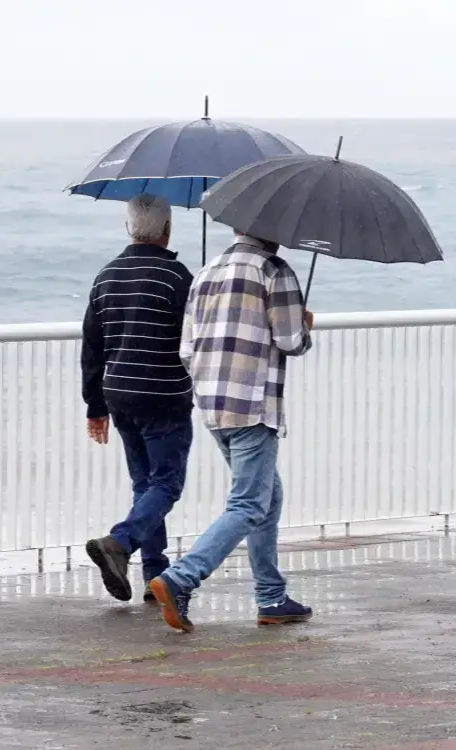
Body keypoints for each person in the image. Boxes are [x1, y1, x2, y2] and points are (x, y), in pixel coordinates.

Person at [148, 229, 315, 632]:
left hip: (212, 404)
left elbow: (186, 349)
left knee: (267, 496)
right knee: (249, 504)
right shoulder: (274, 270)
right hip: (253, 405)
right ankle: (181, 578)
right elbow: (292, 341)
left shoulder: (206, 271)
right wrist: (306, 324)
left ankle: (271, 595)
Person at [81, 194, 195, 603]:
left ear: (127, 228)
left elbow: (92, 347)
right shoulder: (178, 277)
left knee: (145, 483)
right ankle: (121, 542)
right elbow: (194, 341)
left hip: (120, 395)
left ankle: (155, 575)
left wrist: (95, 407)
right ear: (168, 230)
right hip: (165, 394)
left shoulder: (106, 276)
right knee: (166, 483)